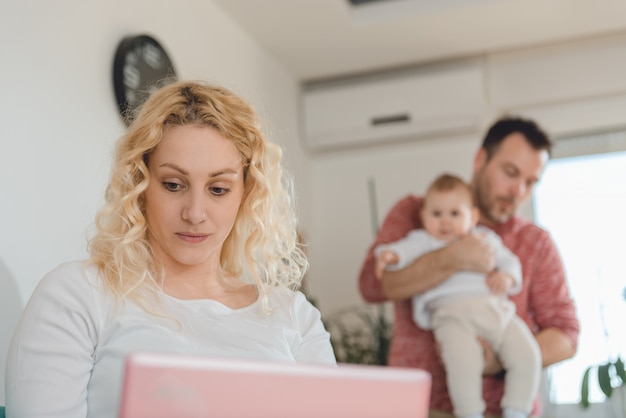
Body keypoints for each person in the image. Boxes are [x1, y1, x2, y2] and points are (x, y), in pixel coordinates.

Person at [6, 81, 336, 418]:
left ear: (246, 194)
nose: (194, 213)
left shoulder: (293, 316)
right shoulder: (78, 295)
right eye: (173, 185)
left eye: (218, 189)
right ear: (141, 184)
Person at [358, 116, 580, 418]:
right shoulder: (417, 214)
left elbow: (566, 334)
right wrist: (453, 257)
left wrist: (499, 360)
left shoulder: (535, 241)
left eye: (530, 182)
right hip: (422, 407)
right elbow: (373, 285)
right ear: (480, 159)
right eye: (510, 172)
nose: (518, 190)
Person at [375, 173, 540, 418]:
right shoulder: (424, 241)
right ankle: (470, 412)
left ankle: (516, 410)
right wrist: (390, 255)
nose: (445, 222)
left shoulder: (484, 238)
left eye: (455, 214)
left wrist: (507, 277)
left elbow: (510, 262)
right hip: (452, 319)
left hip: (496, 312)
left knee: (528, 354)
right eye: (436, 214)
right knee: (463, 366)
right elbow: (402, 251)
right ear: (423, 217)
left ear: (472, 217)